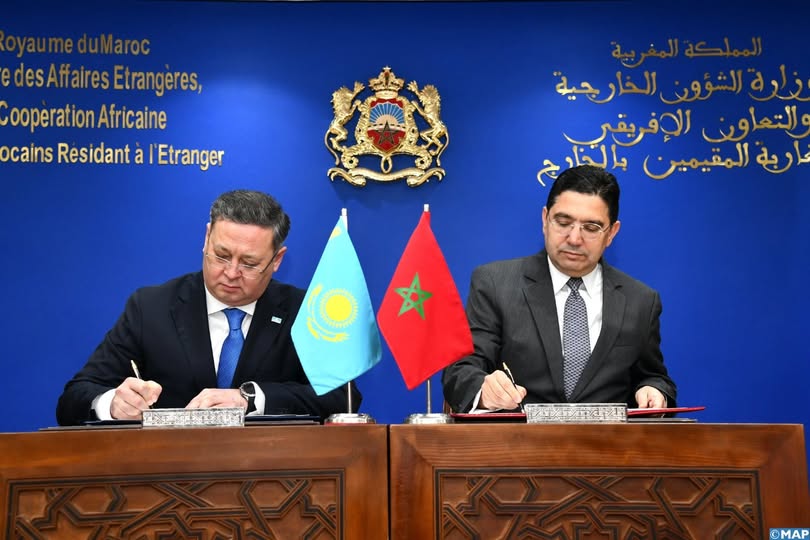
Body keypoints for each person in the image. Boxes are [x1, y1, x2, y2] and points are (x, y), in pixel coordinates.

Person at [56, 190, 358, 425]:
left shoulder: (304, 312)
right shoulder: (151, 308)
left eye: (249, 263)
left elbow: (343, 400)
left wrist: (252, 399)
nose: (231, 272)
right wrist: (111, 403)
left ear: (277, 260)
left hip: (273, 474)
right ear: (206, 238)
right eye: (222, 255)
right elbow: (74, 398)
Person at [442, 165, 676, 413]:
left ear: (611, 233)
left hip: (607, 438)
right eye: (563, 222)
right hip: (517, 436)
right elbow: (461, 370)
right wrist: (484, 390)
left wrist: (652, 389)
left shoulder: (640, 301)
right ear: (545, 220)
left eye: (591, 228)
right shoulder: (495, 284)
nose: (574, 239)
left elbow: (653, 376)